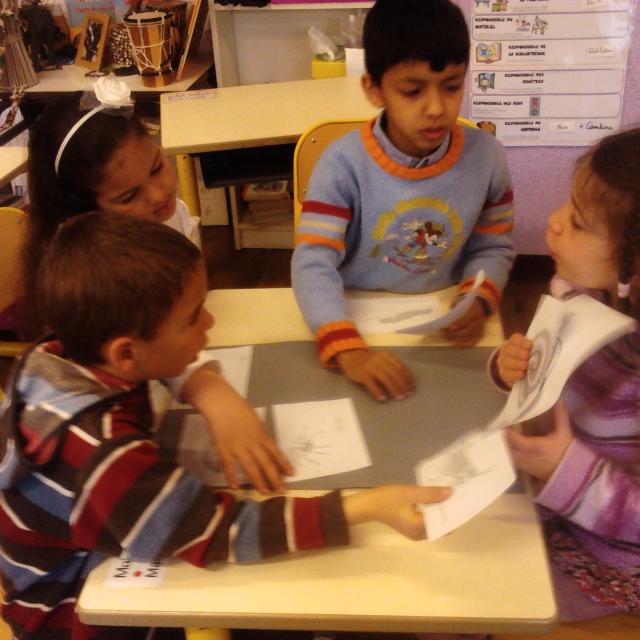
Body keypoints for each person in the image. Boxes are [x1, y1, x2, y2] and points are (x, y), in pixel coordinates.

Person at [0, 213, 451, 640]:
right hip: (77, 616)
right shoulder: (101, 453)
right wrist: (364, 507)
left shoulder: (54, 356)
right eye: (194, 316)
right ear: (125, 355)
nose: (210, 323)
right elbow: (215, 531)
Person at [15, 77, 292, 494]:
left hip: (151, 399)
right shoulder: (84, 284)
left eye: (158, 165)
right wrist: (207, 388)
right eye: (128, 197)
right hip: (112, 456)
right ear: (85, 217)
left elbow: (162, 324)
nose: (161, 194)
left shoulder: (171, 214)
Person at [291, 0, 515, 402]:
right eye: (412, 91)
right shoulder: (341, 166)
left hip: (439, 323)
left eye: (452, 86)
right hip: (354, 317)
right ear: (373, 89)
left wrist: (477, 301)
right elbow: (313, 261)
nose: (436, 108)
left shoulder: (487, 158)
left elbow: (494, 245)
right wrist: (347, 347)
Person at [493, 127, 640, 621]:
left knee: (473, 602)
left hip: (613, 559)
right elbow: (544, 375)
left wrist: (564, 469)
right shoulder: (581, 292)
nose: (553, 223)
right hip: (552, 501)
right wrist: (511, 366)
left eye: (578, 223)